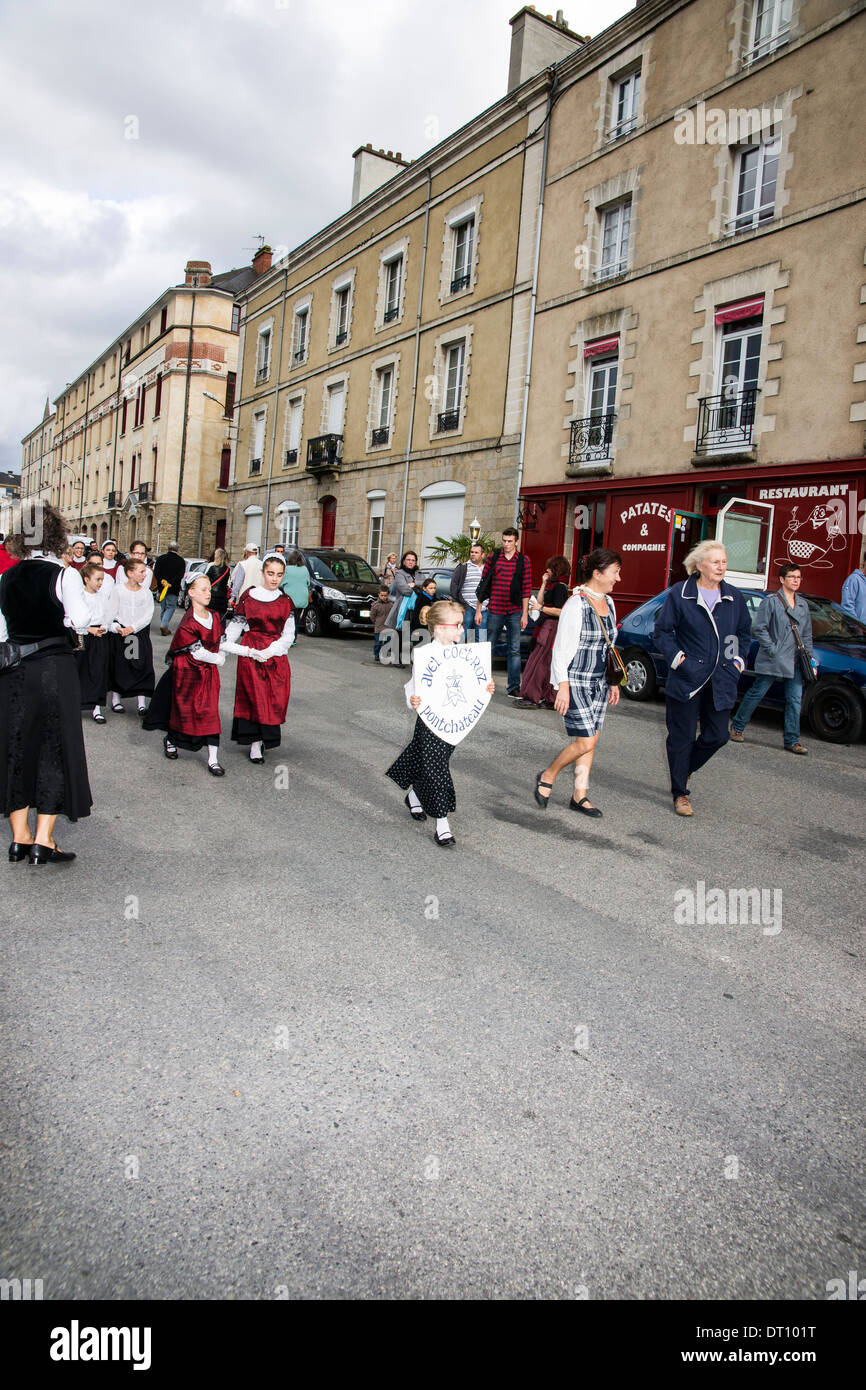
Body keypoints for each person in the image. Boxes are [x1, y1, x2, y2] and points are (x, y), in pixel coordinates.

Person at [0, 503, 92, 863]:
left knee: (17, 747)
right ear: (56, 534)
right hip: (54, 668)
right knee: (54, 748)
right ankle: (43, 840)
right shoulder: (64, 575)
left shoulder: (7, 577)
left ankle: (19, 837)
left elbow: (3, 631)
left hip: (14, 671)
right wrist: (66, 618)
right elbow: (82, 620)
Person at [653, 541, 752, 817]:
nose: (722, 566)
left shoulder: (733, 596)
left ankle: (683, 771)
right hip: (687, 679)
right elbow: (662, 632)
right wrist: (679, 660)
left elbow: (742, 634)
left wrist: (736, 663)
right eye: (716, 562)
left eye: (724, 561)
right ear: (699, 566)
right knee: (681, 738)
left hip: (722, 679)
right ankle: (680, 793)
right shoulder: (680, 594)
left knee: (718, 736)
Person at [386, 599, 496, 848]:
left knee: (429, 761)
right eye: (457, 624)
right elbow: (413, 686)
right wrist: (411, 699)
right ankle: (442, 825)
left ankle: (414, 795)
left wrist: (486, 688)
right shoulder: (425, 655)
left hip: (453, 723)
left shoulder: (465, 653)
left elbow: (473, 684)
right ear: (439, 627)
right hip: (430, 721)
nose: (461, 629)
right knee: (436, 769)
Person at [534, 549, 622, 818]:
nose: (618, 578)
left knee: (591, 740)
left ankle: (579, 795)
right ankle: (548, 774)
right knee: (584, 741)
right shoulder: (576, 604)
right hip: (577, 681)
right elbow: (561, 649)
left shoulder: (609, 602)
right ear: (597, 573)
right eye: (615, 572)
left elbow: (610, 646)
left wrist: (614, 682)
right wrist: (562, 685)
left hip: (600, 682)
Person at [143, 574, 226, 776]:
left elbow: (221, 642)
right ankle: (171, 740)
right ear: (191, 593)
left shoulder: (214, 616)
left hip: (207, 674)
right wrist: (219, 658)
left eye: (209, 589)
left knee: (210, 713)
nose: (208, 593)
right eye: (203, 589)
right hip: (187, 674)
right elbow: (197, 651)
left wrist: (249, 652)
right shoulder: (188, 622)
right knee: (184, 712)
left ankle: (213, 759)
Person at [730, 564, 815, 754]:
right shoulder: (771, 602)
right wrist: (773, 649)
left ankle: (792, 740)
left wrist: (809, 657)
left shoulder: (802, 604)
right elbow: (760, 628)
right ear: (782, 579)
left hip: (795, 660)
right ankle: (737, 726)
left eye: (799, 577)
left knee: (794, 700)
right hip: (773, 658)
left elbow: (807, 634)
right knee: (757, 693)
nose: (796, 580)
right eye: (792, 576)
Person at [224, 554, 294, 762]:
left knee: (273, 698)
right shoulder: (249, 596)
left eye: (279, 575)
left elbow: (288, 635)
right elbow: (236, 626)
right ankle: (255, 743)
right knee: (253, 697)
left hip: (275, 654)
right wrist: (221, 649)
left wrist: (271, 651)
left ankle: (265, 738)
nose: (274, 579)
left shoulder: (285, 601)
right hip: (251, 652)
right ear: (263, 573)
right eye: (270, 573)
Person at [475, 527, 531, 697]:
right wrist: (479, 610)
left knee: (514, 649)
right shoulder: (494, 558)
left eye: (509, 541)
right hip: (495, 610)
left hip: (514, 611)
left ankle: (513, 687)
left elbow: (526, 588)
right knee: (489, 647)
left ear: (516, 542)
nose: (506, 544)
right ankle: (483, 682)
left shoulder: (523, 560)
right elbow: (484, 585)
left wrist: (525, 614)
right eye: (504, 541)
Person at [514, 555, 572, 708]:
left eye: (550, 568)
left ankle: (534, 696)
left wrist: (542, 609)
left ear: (557, 570)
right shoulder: (554, 586)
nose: (547, 570)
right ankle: (546, 697)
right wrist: (543, 583)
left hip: (552, 628)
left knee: (541, 663)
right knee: (542, 662)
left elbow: (560, 611)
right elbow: (539, 602)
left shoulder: (560, 587)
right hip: (548, 626)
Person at [106, 556, 155, 716]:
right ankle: (116, 699)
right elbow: (111, 612)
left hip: (137, 634)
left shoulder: (146, 593)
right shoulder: (118, 590)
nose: (144, 575)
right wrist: (116, 627)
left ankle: (141, 703)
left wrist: (133, 627)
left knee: (141, 666)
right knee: (120, 666)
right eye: (141, 571)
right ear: (130, 573)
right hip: (121, 633)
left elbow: (148, 614)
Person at [74, 559, 113, 723]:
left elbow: (107, 615)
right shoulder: (79, 596)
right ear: (86, 579)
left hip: (99, 637)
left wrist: (104, 626)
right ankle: (75, 705)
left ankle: (96, 708)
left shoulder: (102, 597)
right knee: (79, 669)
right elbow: (73, 619)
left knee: (98, 671)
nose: (100, 583)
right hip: (82, 635)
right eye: (97, 579)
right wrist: (89, 629)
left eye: (102, 579)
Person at [386, 550, 421, 663]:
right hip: (403, 608)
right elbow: (404, 590)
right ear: (404, 561)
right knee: (401, 633)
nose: (411, 562)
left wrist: (414, 585)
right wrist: (416, 588)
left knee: (410, 634)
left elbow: (424, 587)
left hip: (415, 608)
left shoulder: (419, 573)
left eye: (413, 560)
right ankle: (396, 659)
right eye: (408, 560)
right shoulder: (399, 573)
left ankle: (405, 657)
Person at [449, 541, 488, 644]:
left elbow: (492, 588)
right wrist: (460, 605)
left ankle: (478, 659)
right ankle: (456, 659)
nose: (473, 554)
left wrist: (490, 603)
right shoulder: (463, 567)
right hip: (467, 608)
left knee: (481, 640)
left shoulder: (487, 569)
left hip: (483, 609)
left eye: (476, 552)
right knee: (461, 637)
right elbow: (454, 586)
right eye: (472, 552)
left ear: (482, 555)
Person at [153, 541, 186, 635]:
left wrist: (162, 581)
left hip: (161, 587)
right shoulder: (180, 560)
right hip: (173, 588)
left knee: (164, 608)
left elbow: (156, 572)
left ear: (168, 548)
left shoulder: (161, 559)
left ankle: (164, 626)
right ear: (177, 549)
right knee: (171, 607)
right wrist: (170, 582)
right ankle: (164, 625)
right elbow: (180, 575)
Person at [279, 551, 310, 636]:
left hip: (290, 599)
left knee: (288, 620)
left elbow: (281, 584)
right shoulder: (305, 569)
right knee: (296, 619)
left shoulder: (287, 569)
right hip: (302, 598)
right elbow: (308, 583)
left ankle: (288, 636)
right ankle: (294, 638)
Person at [205, 547, 232, 627]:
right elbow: (228, 582)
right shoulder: (227, 569)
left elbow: (206, 580)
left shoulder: (212, 567)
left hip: (212, 595)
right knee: (221, 616)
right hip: (222, 595)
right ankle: (221, 633)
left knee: (211, 615)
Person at [370, 586, 392, 662]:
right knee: (378, 643)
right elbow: (372, 616)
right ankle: (376, 654)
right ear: (379, 595)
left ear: (388, 595)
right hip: (379, 627)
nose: (383, 597)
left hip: (388, 627)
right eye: (381, 595)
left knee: (388, 641)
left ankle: (383, 653)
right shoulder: (375, 605)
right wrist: (376, 623)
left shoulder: (391, 604)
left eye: (385, 595)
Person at [841, 559, 866, 624]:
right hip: (858, 631)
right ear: (865, 562)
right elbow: (847, 606)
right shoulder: (854, 579)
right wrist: (858, 627)